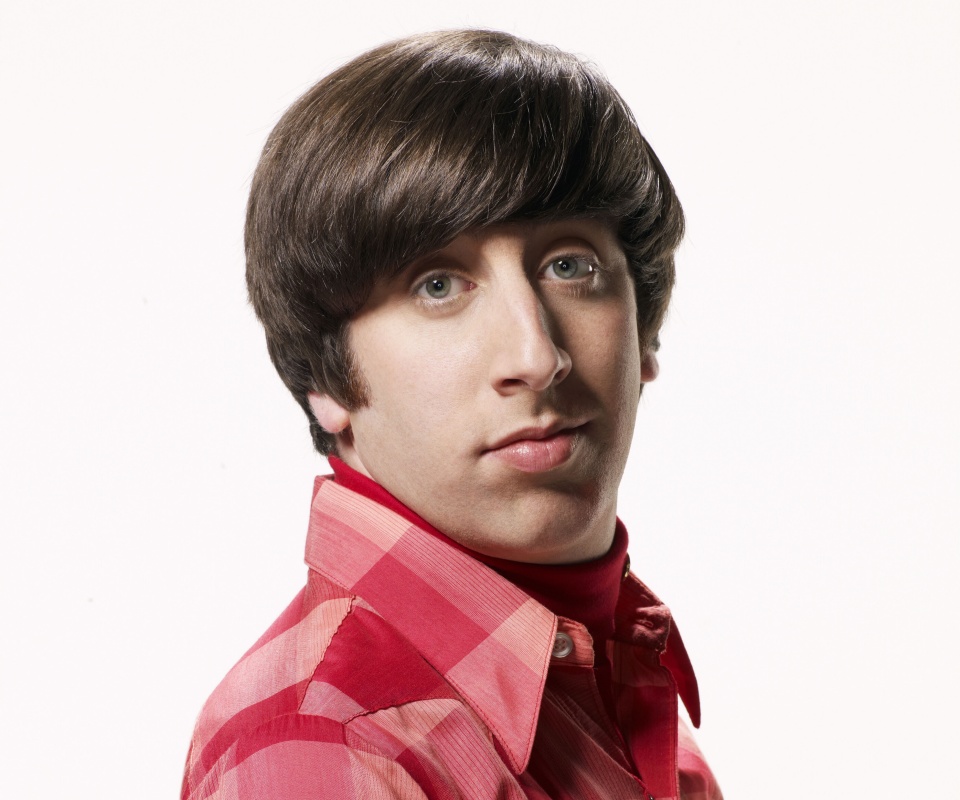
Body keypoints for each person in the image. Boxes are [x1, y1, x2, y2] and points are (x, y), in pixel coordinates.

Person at [181, 29, 723, 800]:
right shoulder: (328, 752)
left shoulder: (604, 676)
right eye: (438, 285)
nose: (536, 356)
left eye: (570, 266)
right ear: (327, 377)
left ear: (644, 332)